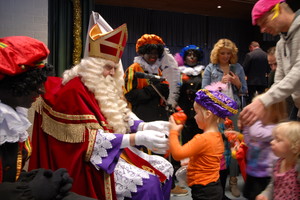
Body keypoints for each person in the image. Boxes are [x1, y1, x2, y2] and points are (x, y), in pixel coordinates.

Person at [28, 23, 174, 200]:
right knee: (148, 184)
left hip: (111, 152)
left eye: (114, 68)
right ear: (93, 65)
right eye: (107, 67)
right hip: (89, 162)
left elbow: (117, 112)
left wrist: (144, 126)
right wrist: (137, 138)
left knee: (165, 167)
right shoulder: (75, 90)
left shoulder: (101, 84)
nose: (112, 73)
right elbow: (88, 140)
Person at [0, 36, 95, 200]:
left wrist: (43, 180)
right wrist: (33, 191)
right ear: (10, 85)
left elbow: (10, 174)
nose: (42, 91)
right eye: (34, 84)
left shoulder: (11, 121)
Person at [169, 89, 238, 200]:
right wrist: (192, 161)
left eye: (196, 113)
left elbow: (177, 154)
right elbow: (207, 158)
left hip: (203, 191)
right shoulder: (218, 136)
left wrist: (173, 132)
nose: (194, 117)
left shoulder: (202, 139)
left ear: (207, 114)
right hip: (214, 185)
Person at [239, 0, 300, 127]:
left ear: (279, 10)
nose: (262, 30)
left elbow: (298, 72)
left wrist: (263, 101)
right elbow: (279, 81)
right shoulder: (281, 44)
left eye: (265, 22)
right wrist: (261, 109)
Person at [202, 38, 247, 198]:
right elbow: (204, 92)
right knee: (218, 146)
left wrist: (238, 84)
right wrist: (219, 84)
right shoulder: (210, 68)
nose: (226, 56)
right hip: (216, 111)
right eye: (223, 53)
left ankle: (233, 181)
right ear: (217, 53)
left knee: (234, 146)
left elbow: (244, 92)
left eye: (229, 53)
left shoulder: (238, 68)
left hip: (234, 111)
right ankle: (218, 181)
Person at [124, 34, 180, 122]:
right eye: (150, 53)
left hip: (159, 117)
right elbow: (129, 96)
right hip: (141, 118)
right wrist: (153, 89)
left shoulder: (158, 70)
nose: (153, 56)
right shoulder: (134, 68)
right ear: (143, 53)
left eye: (156, 53)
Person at [242, 94, 287, 200]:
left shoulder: (275, 129)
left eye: (257, 110)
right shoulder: (258, 127)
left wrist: (253, 120)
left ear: (272, 112)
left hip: (266, 175)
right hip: (253, 171)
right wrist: (246, 125)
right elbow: (249, 141)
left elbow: (256, 134)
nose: (254, 113)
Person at [256, 121, 300, 200]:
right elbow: (273, 184)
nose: (272, 142)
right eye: (274, 138)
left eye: (278, 140)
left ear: (295, 147)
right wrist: (265, 194)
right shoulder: (277, 163)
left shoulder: (297, 168)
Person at [175, 45, 205, 144]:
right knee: (183, 140)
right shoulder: (178, 72)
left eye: (194, 55)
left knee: (198, 140)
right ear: (184, 57)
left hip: (199, 111)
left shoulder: (203, 72)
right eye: (189, 55)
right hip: (183, 110)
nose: (192, 57)